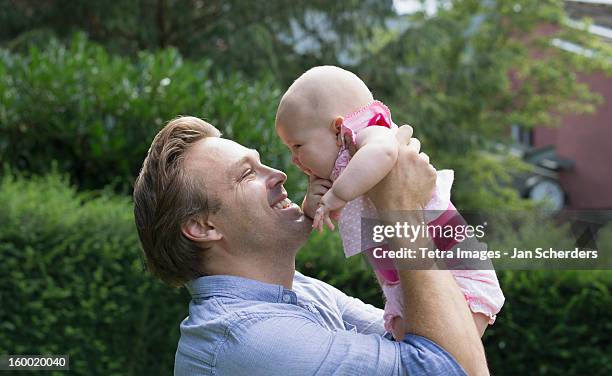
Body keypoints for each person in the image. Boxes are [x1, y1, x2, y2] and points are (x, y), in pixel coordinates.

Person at [133, 115, 490, 375]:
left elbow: (452, 335)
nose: (279, 174)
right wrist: (402, 209)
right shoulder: (248, 339)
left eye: (261, 163)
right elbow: (454, 367)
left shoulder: (300, 291)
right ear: (202, 226)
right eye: (246, 174)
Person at [275, 65, 504, 339]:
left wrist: (337, 195)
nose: (294, 160)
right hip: (403, 282)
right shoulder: (336, 172)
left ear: (338, 129)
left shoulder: (367, 132)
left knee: (447, 349)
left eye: (298, 146)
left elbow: (384, 152)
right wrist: (314, 204)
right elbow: (320, 215)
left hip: (453, 268)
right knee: (410, 347)